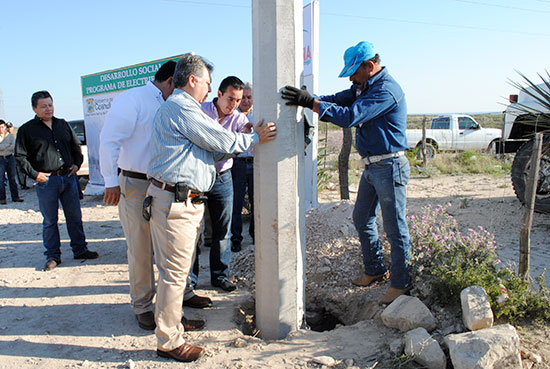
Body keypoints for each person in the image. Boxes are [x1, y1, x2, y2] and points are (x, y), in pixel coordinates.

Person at [147, 53, 276, 362]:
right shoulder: (181, 108)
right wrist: (255, 138)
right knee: (174, 275)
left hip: (179, 199)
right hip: (175, 202)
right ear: (193, 80)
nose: (208, 89)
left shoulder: (182, 107)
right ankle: (168, 341)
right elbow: (219, 140)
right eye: (206, 83)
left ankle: (174, 322)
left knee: (175, 271)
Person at [282, 41, 411, 305]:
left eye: (354, 72)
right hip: (373, 167)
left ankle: (401, 283)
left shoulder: (386, 90)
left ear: (370, 66)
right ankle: (375, 269)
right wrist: (310, 100)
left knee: (395, 227)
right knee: (362, 217)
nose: (351, 77)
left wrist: (313, 104)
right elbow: (339, 100)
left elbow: (351, 115)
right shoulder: (364, 86)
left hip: (390, 167)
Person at [99, 61, 208, 333]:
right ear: (173, 81)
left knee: (171, 251)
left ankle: (175, 306)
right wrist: (111, 182)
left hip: (166, 189)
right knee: (140, 247)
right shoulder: (133, 100)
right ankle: (143, 306)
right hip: (136, 184)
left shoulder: (175, 105)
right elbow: (108, 141)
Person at [15, 91, 98, 271]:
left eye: (50, 105)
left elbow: (75, 147)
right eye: (43, 106)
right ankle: (53, 256)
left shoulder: (62, 125)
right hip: (47, 182)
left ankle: (80, 249)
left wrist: (77, 164)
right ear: (34, 108)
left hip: (68, 178)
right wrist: (35, 174)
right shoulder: (26, 130)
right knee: (50, 221)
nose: (48, 109)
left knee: (75, 216)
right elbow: (20, 157)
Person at [190, 76, 250, 293]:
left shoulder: (239, 119)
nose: (233, 104)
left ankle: (220, 276)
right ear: (219, 94)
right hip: (197, 177)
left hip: (223, 177)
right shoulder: (200, 111)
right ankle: (190, 281)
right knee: (193, 231)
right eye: (230, 99)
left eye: (238, 100)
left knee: (222, 231)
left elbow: (248, 131)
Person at [230, 82, 254, 252]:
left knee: (256, 202)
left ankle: (255, 236)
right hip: (237, 164)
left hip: (256, 164)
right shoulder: (232, 116)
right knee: (236, 204)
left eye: (249, 97)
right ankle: (236, 239)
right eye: (243, 97)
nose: (245, 100)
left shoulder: (260, 114)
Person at [0, 120, 24, 204]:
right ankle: (2, 198)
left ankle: (15, 197)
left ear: (5, 127)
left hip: (10, 158)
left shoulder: (10, 136)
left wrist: (3, 147)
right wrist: (7, 146)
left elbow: (13, 147)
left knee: (12, 178)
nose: (1, 129)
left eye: (2, 127)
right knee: (1, 179)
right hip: (1, 159)